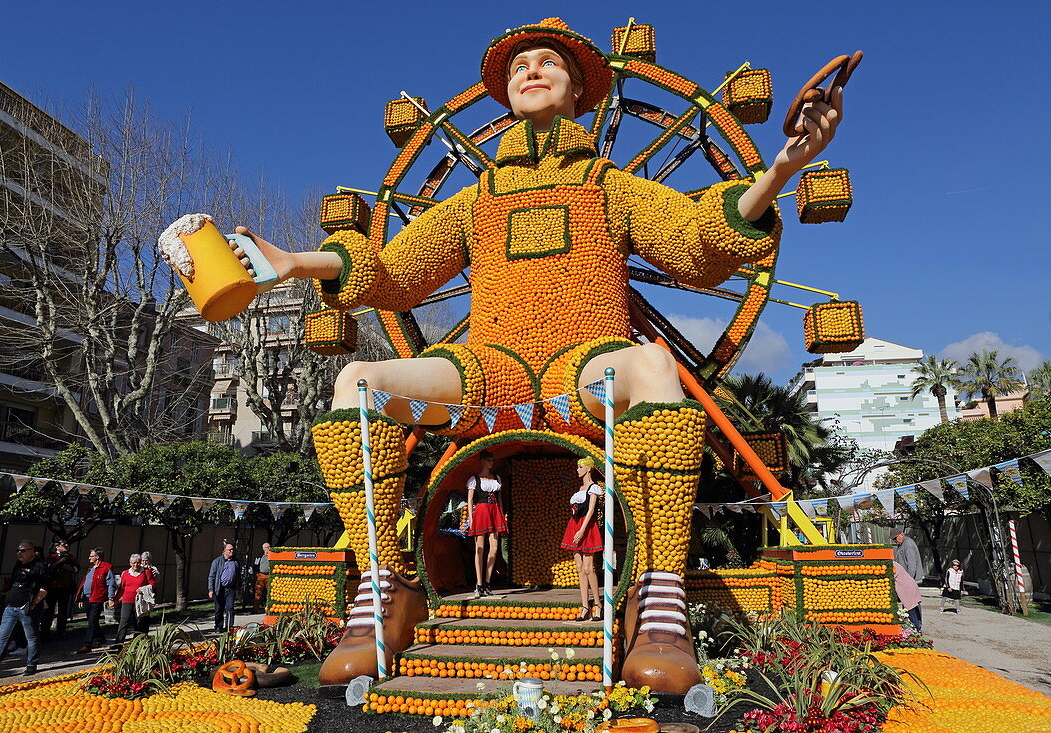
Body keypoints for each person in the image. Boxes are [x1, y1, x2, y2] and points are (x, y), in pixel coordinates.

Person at [216, 18, 847, 692]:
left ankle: (656, 594)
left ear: (580, 89)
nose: (530, 71)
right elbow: (393, 274)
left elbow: (695, 242)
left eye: (547, 62)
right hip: (492, 373)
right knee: (355, 381)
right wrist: (294, 262)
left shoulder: (610, 185)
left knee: (658, 366)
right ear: (505, 93)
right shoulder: (475, 201)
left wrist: (786, 165)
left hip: (587, 364)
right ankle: (387, 584)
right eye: (519, 67)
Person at [0, 540, 49, 679]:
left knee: (31, 637)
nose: (19, 553)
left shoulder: (39, 566)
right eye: (18, 550)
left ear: (32, 551)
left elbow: (44, 589)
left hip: (28, 609)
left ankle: (31, 665)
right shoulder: (17, 565)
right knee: (2, 638)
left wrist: (33, 603)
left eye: (23, 550)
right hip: (11, 607)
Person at [561, 457, 604, 621]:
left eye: (580, 467)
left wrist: (582, 530)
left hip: (586, 526)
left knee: (589, 568)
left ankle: (598, 604)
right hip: (574, 524)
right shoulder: (579, 488)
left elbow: (591, 510)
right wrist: (575, 529)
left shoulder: (594, 488)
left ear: (588, 468)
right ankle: (585, 604)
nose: (577, 470)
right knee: (579, 568)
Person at [466, 451, 507, 598]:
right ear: (482, 461)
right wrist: (471, 519)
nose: (491, 462)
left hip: (494, 511)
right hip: (481, 512)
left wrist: (501, 515)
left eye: (492, 460)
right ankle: (479, 583)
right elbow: (470, 500)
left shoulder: (496, 478)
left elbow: (500, 499)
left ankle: (488, 581)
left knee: (494, 548)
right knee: (480, 548)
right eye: (488, 460)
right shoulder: (474, 479)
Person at [76, 547, 115, 653]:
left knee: (92, 621)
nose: (89, 558)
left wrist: (111, 598)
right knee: (91, 620)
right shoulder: (91, 568)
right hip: (89, 598)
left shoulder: (106, 568)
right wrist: (81, 597)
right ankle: (100, 638)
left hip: (97, 598)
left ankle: (87, 645)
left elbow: (111, 584)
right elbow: (85, 583)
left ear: (97, 557)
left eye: (91, 556)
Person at [40, 539, 79, 639]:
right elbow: (47, 568)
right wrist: (59, 563)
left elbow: (77, 568)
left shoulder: (71, 557)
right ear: (57, 547)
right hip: (52, 588)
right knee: (49, 610)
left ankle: (61, 632)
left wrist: (70, 568)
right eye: (64, 544)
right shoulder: (51, 557)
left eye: (67, 544)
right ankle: (45, 632)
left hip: (65, 587)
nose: (66, 546)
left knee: (63, 610)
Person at [113, 553, 151, 645]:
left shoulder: (146, 572)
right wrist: (115, 600)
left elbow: (152, 584)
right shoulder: (125, 573)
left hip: (140, 602)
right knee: (123, 622)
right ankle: (118, 645)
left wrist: (143, 589)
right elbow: (121, 588)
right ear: (130, 563)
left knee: (138, 624)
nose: (136, 565)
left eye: (138, 563)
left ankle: (137, 644)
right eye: (134, 563)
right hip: (127, 601)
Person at [208, 542, 239, 633]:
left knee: (230, 608)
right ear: (224, 551)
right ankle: (218, 626)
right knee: (219, 609)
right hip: (220, 589)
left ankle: (229, 627)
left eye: (233, 549)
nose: (232, 551)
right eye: (230, 550)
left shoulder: (235, 561)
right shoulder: (217, 561)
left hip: (231, 589)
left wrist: (239, 587)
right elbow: (211, 576)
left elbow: (238, 576)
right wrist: (211, 589)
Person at [893, 561, 923, 633]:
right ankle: (917, 626)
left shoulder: (892, 565)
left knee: (910, 609)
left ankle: (916, 628)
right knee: (913, 608)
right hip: (909, 585)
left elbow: (890, 577)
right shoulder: (894, 563)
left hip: (906, 588)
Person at [137, 551, 160, 633]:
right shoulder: (139, 568)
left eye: (146, 560)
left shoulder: (153, 569)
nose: (144, 562)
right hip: (139, 592)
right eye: (142, 560)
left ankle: (144, 631)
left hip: (148, 592)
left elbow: (156, 580)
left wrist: (153, 574)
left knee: (145, 612)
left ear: (150, 560)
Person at [253, 543, 271, 613]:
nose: (267, 548)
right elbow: (255, 565)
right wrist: (257, 573)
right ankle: (255, 609)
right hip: (260, 575)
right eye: (266, 547)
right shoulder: (259, 556)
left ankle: (269, 608)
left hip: (269, 575)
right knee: (258, 592)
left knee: (269, 593)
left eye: (269, 547)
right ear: (263, 548)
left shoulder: (272, 556)